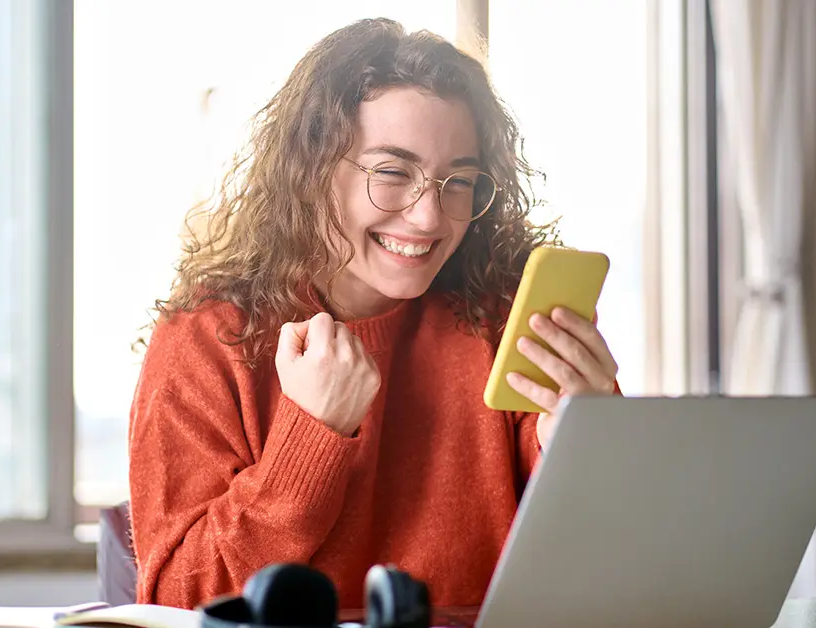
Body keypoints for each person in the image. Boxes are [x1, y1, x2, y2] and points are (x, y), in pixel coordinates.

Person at [127, 17, 622, 612]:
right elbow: (174, 605)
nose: (429, 218)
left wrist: (583, 446)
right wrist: (310, 437)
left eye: (458, 181)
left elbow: (604, 582)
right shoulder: (206, 342)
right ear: (310, 170)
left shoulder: (502, 323)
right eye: (391, 173)